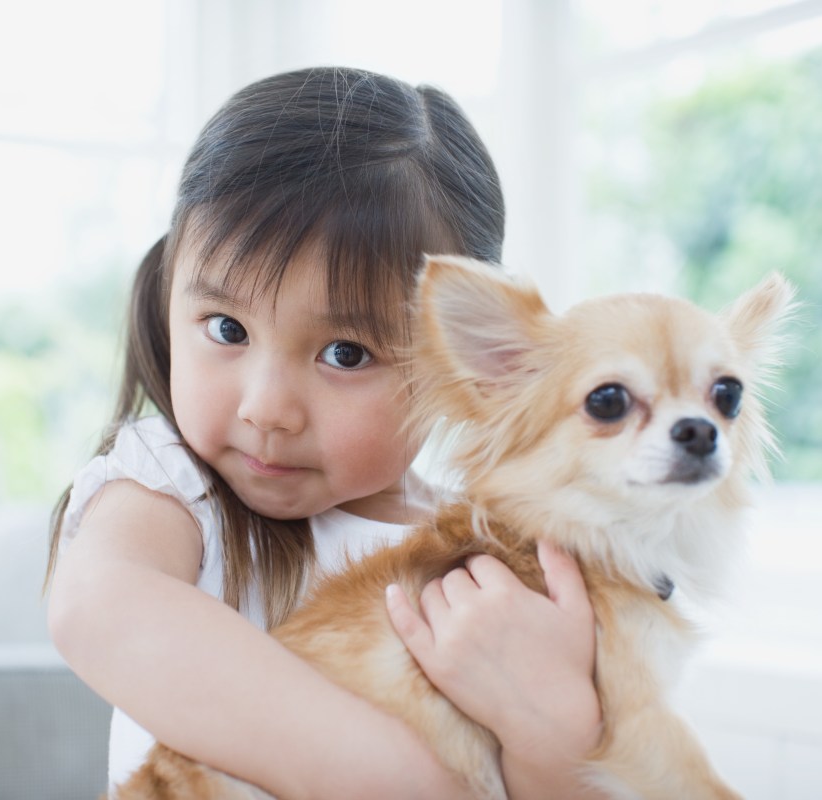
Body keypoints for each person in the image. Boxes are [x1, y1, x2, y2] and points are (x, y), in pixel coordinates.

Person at [44, 66, 601, 799]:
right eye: (227, 328)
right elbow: (98, 607)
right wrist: (405, 782)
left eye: (346, 353)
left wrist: (552, 731)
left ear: (464, 362)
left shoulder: (482, 560)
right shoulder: (174, 488)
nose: (267, 408)